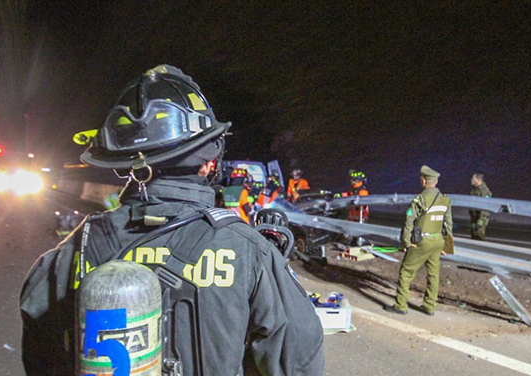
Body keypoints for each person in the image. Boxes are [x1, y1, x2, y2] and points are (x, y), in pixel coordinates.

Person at [19, 65, 324, 375]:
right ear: (208, 163)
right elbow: (297, 362)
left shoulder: (72, 251)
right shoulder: (248, 251)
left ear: (124, 163)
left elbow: (42, 357)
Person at [385, 165, 453, 316]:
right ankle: (430, 306)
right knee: (433, 274)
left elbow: (409, 220)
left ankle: (401, 305)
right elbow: (448, 223)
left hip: (422, 240)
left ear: (423, 181)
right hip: (437, 241)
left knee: (406, 271)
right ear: (435, 182)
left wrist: (406, 242)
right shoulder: (445, 199)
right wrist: (447, 246)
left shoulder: (420, 199)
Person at [469, 172, 492, 240]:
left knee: (478, 238)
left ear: (478, 180)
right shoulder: (475, 190)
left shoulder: (484, 191)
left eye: (473, 178)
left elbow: (486, 207)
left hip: (479, 220)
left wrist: (480, 221)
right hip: (474, 219)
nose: (471, 180)